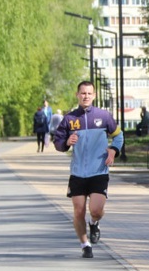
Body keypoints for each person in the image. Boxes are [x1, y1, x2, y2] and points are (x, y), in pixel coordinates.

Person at [53, 80, 124, 259]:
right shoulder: (69, 119)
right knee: (78, 211)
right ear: (77, 95)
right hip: (78, 173)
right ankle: (85, 244)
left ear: (94, 96)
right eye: (82, 93)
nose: (86, 96)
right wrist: (66, 143)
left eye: (89, 93)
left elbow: (119, 135)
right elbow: (58, 142)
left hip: (99, 171)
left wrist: (113, 150)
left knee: (96, 210)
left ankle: (94, 223)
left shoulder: (104, 116)